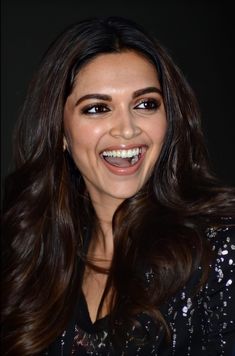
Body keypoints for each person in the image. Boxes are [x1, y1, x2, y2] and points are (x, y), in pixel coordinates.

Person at [2, 16, 235, 356]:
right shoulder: (33, 260)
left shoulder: (220, 254)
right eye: (97, 108)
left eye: (145, 104)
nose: (126, 130)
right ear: (60, 132)